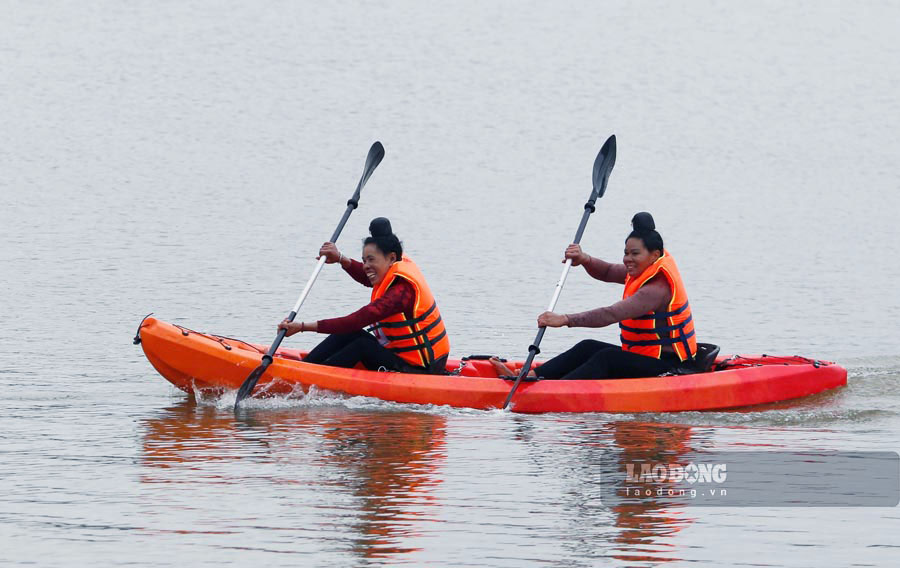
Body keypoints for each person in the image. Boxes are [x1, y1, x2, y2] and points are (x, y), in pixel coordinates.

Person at [491, 212, 697, 380]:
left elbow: (611, 314)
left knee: (606, 359)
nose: (628, 259)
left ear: (655, 255)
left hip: (669, 367)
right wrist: (584, 259)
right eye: (626, 253)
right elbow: (607, 271)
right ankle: (529, 376)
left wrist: (565, 320)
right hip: (644, 357)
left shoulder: (656, 289)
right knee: (587, 347)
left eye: (635, 254)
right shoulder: (642, 271)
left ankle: (551, 391)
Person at [278, 217, 451, 374]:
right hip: (403, 356)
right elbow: (368, 276)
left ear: (391, 258)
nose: (366, 266)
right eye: (364, 260)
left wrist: (301, 327)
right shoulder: (395, 263)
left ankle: (311, 378)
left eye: (371, 260)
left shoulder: (401, 293)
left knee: (361, 344)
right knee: (349, 334)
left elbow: (355, 320)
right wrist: (340, 258)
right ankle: (308, 366)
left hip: (420, 369)